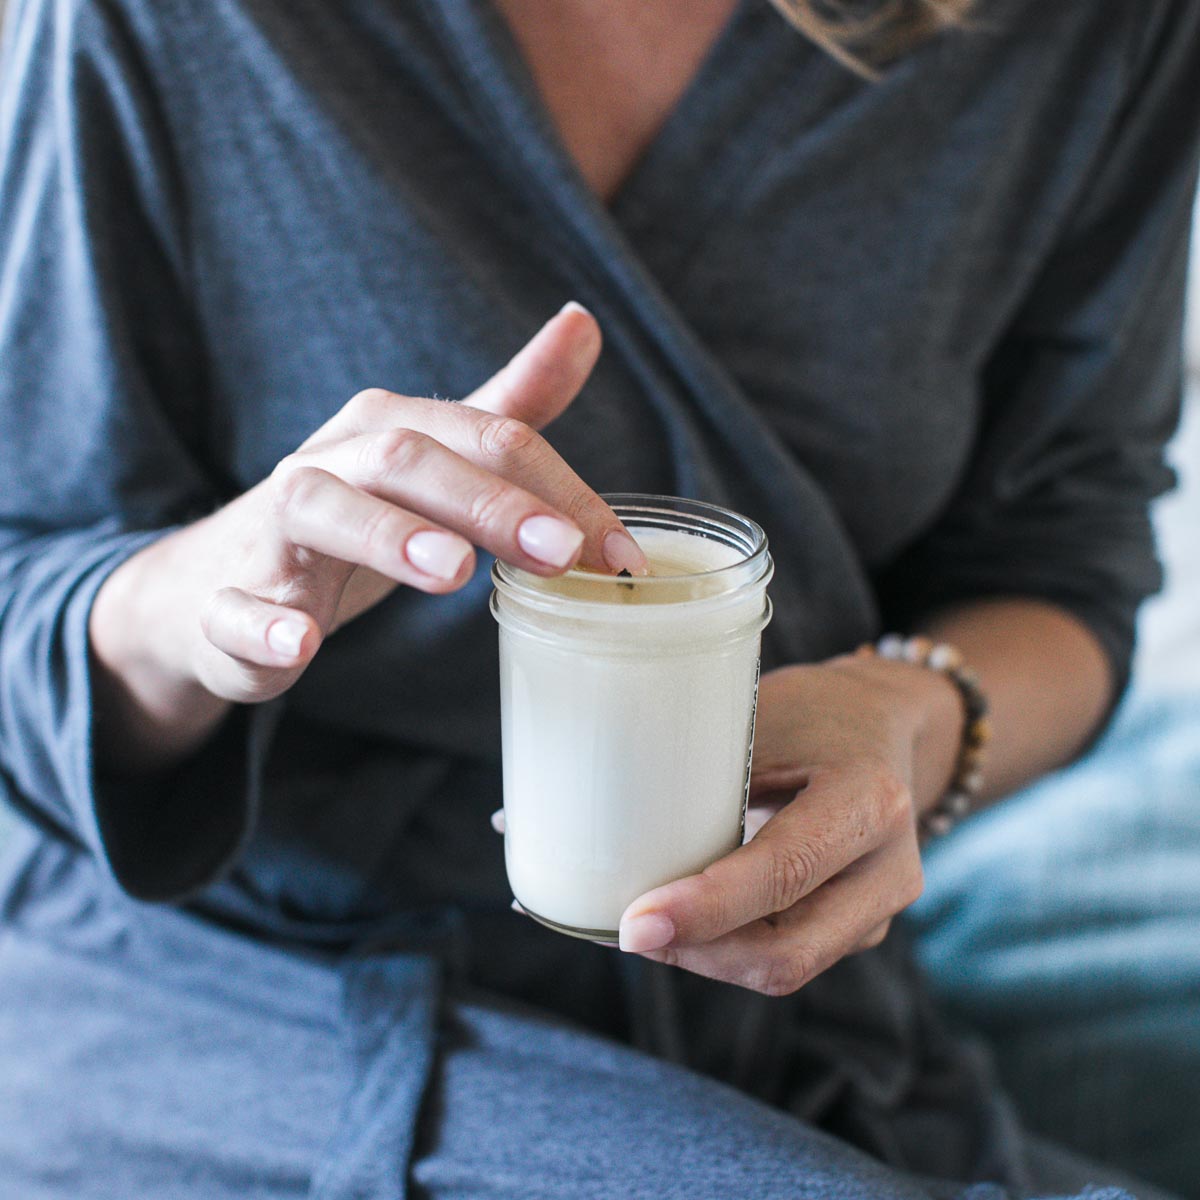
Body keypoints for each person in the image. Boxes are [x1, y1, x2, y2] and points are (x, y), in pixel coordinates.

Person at [0, 0, 1197, 1196]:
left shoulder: (1085, 35)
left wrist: (904, 718)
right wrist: (200, 608)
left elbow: (1061, 564)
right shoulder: (157, 26)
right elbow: (24, 574)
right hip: (238, 978)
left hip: (778, 1006)